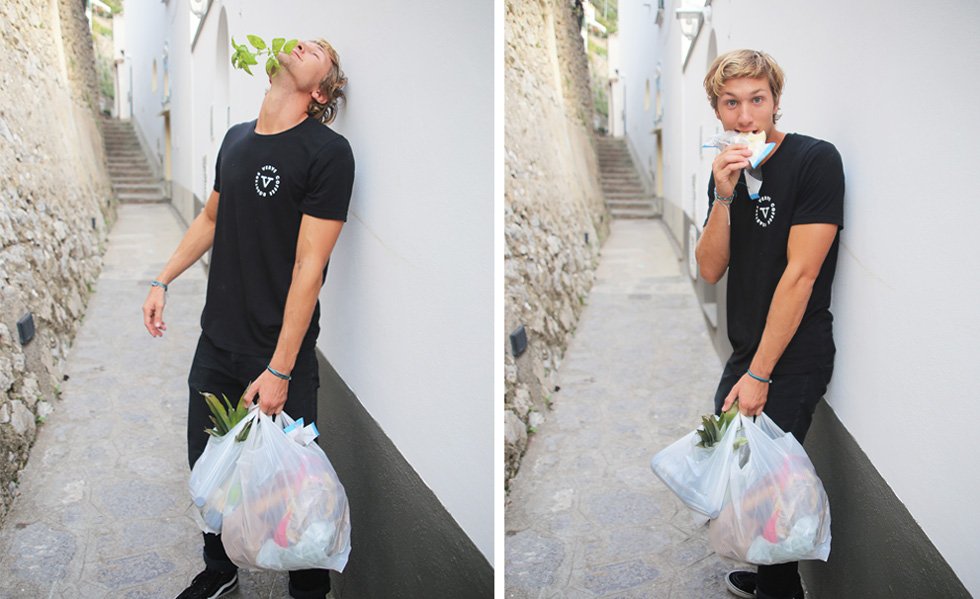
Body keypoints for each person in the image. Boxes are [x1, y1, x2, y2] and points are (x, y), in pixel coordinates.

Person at [141, 38, 354, 599]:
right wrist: (163, 278)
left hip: (278, 353)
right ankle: (220, 568)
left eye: (321, 51)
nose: (303, 42)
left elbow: (310, 266)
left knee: (294, 487)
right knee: (208, 462)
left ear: (319, 92)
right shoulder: (236, 139)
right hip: (217, 342)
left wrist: (281, 369)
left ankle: (308, 592)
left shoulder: (327, 153)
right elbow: (211, 216)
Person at [695, 49, 844, 599]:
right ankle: (768, 574)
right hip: (745, 349)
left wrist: (759, 377)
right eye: (732, 103)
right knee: (740, 470)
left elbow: (801, 276)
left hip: (795, 353)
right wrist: (724, 197)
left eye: (757, 99)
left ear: (776, 101)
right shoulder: (728, 170)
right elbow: (709, 268)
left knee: (769, 485)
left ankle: (782, 589)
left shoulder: (814, 161)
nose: (746, 115)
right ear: (718, 110)